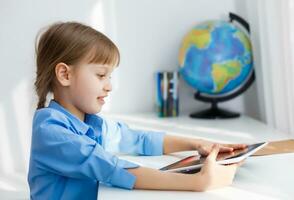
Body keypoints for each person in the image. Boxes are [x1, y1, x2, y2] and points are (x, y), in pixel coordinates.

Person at [27, 21, 247, 200]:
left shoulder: (90, 122)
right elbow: (109, 168)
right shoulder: (50, 130)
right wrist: (198, 182)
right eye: (101, 75)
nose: (109, 85)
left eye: (110, 77)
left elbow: (137, 139)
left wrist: (197, 144)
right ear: (65, 75)